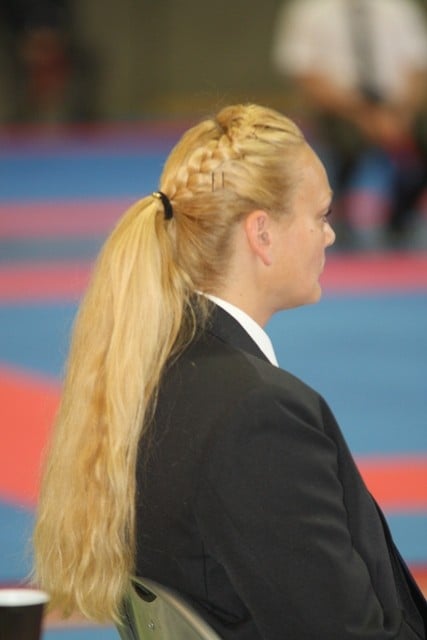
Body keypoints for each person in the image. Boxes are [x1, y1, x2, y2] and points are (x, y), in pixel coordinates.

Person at [33, 104, 426, 639]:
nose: (330, 236)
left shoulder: (147, 374)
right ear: (261, 233)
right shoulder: (260, 415)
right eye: (320, 216)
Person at [272, 0, 427, 250]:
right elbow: (306, 75)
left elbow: (418, 70)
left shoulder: (399, 9)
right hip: (336, 119)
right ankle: (352, 222)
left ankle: (393, 219)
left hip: (397, 117)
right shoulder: (309, 12)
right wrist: (363, 115)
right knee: (336, 161)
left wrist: (399, 115)